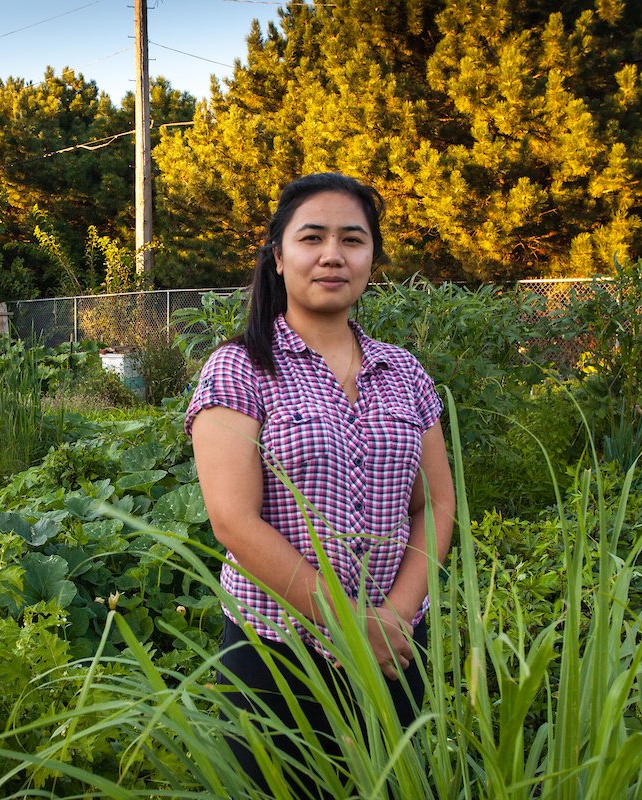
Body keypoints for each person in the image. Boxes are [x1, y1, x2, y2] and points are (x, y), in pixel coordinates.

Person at [184, 172, 456, 794]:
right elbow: (233, 520)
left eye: (352, 240)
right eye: (313, 237)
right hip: (277, 655)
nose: (333, 254)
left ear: (371, 259)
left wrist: (392, 617)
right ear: (279, 257)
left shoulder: (404, 372)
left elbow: (436, 502)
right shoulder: (241, 368)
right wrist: (348, 623)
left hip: (395, 649)